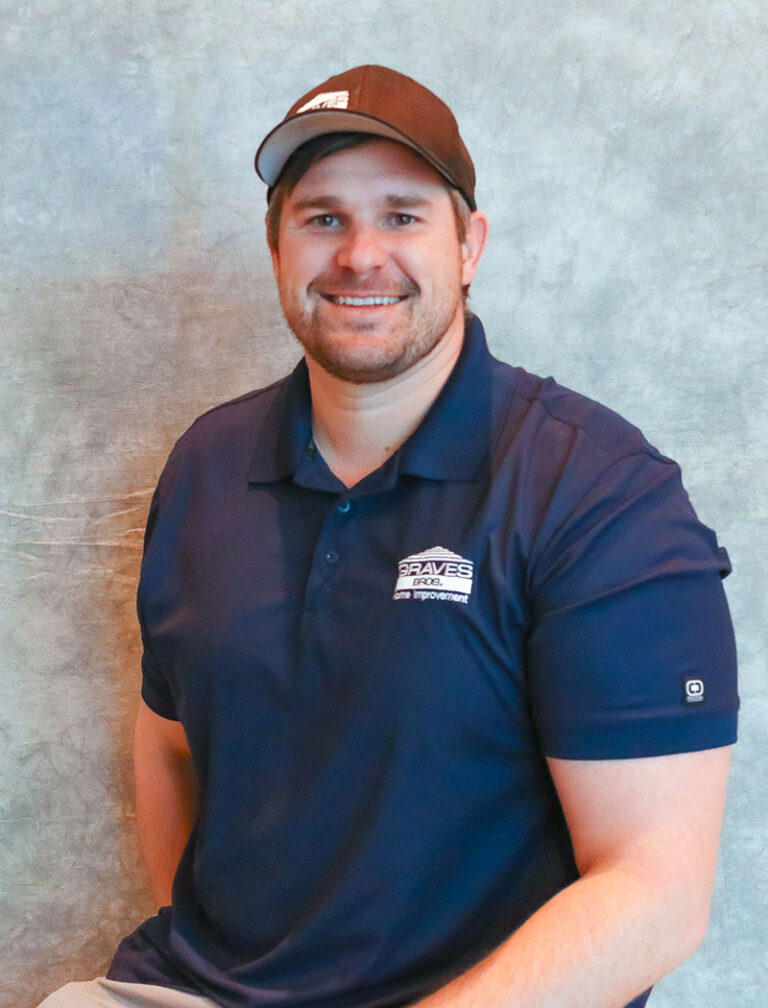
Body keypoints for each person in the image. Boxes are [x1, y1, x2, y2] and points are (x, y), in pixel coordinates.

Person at [40, 65, 738, 1008]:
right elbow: (168, 742)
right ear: (278, 247)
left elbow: (654, 896)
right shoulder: (207, 463)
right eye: (322, 218)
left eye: (403, 216)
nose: (360, 254)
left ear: (469, 246)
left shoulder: (600, 495)